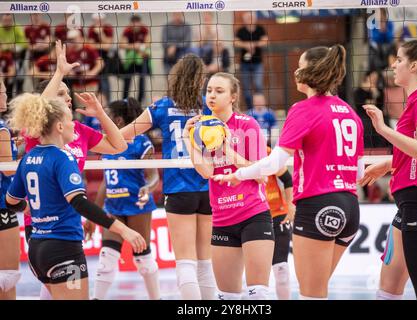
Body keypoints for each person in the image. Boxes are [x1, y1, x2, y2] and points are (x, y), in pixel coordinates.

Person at [214, 46, 364, 299]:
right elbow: (359, 171)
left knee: (311, 295)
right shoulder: (351, 112)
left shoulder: (304, 109)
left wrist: (237, 175)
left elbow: (273, 164)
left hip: (318, 203)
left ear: (311, 72)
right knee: (318, 289)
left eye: (300, 64)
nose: (295, 70)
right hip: (350, 207)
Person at [5, 94, 146, 300]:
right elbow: (79, 202)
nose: (74, 124)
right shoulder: (63, 157)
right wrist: (123, 230)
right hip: (64, 247)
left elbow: (10, 201)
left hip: (37, 247)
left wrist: (28, 208)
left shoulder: (28, 158)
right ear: (60, 127)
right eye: (70, 120)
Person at [24, 40, 127, 300]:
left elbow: (119, 146)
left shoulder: (78, 131)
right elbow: (40, 110)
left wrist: (100, 112)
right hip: (42, 227)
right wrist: (59, 73)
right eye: (61, 94)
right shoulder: (37, 132)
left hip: (70, 222)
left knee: (56, 292)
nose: (68, 98)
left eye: (68, 94)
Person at [359, 32, 417, 300]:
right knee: (387, 289)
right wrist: (389, 163)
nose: (393, 65)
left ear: (413, 66)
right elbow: (415, 152)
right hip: (409, 205)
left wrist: (383, 129)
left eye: (398, 60)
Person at [120, 54, 216, 300]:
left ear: (176, 77)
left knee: (186, 262)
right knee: (205, 261)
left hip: (178, 189)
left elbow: (124, 135)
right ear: (200, 80)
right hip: (207, 185)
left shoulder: (162, 106)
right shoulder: (209, 105)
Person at [184, 72, 275, 300]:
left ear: (233, 97)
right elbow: (207, 172)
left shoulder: (248, 125)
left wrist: (227, 150)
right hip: (223, 218)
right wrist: (188, 138)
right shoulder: (202, 128)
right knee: (228, 298)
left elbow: (261, 175)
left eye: (219, 91)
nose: (212, 95)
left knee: (257, 296)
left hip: (253, 214)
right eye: (209, 91)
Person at [91, 97, 161, 300]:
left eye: (108, 117)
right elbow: (105, 179)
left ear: (119, 121)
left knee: (143, 259)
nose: (102, 121)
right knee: (106, 260)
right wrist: (93, 214)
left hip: (137, 205)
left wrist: (148, 188)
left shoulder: (140, 142)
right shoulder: (105, 144)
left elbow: (153, 175)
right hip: (113, 206)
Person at [265, 147, 294, 300]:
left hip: (278, 214)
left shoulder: (265, 152)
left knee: (281, 269)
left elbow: (288, 179)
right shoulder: (231, 152)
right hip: (251, 217)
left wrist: (290, 206)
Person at [0, 77, 19, 300]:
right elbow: (7, 170)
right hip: (3, 206)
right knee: (7, 277)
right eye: (3, 92)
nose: (6, 95)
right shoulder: (2, 129)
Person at [235, 11, 268, 109]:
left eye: (251, 17)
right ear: (244, 20)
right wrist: (246, 45)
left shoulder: (260, 29)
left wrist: (254, 44)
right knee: (246, 88)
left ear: (255, 19)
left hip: (258, 63)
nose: (250, 19)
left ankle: (260, 108)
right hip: (244, 64)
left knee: (258, 85)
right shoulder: (241, 30)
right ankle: (250, 109)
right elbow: (236, 42)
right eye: (248, 18)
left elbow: (265, 41)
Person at [120, 15, 151, 103]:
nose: (135, 24)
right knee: (127, 82)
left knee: (142, 82)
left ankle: (139, 103)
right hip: (130, 61)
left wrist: (140, 47)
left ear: (140, 22)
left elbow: (148, 43)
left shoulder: (144, 29)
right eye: (134, 22)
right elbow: (122, 45)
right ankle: (124, 102)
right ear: (131, 23)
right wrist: (134, 46)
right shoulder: (127, 30)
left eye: (137, 22)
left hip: (142, 59)